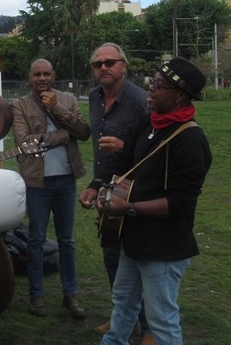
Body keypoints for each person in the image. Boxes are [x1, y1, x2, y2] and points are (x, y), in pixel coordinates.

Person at [96, 57, 212, 345]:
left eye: (158, 86)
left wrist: (129, 208)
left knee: (161, 319)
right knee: (122, 303)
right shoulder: (151, 122)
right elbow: (125, 161)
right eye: (151, 83)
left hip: (163, 246)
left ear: (180, 96)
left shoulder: (190, 140)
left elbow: (180, 204)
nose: (150, 90)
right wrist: (97, 187)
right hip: (133, 239)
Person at [77, 43, 152, 341]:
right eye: (97, 64)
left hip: (136, 188)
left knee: (138, 260)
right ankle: (123, 319)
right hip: (108, 189)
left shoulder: (142, 100)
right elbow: (100, 153)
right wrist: (95, 186)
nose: (103, 68)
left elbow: (153, 149)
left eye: (110, 62)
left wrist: (126, 147)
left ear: (124, 65)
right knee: (111, 256)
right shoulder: (94, 97)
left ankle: (149, 328)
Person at [10, 59, 90, 318]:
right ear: (29, 77)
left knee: (67, 241)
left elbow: (84, 131)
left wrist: (57, 108)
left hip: (66, 180)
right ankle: (37, 295)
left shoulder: (67, 98)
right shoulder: (20, 105)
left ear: (54, 75)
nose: (42, 78)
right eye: (37, 74)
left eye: (46, 73)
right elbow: (24, 143)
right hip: (37, 183)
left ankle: (71, 294)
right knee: (35, 241)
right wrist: (63, 135)